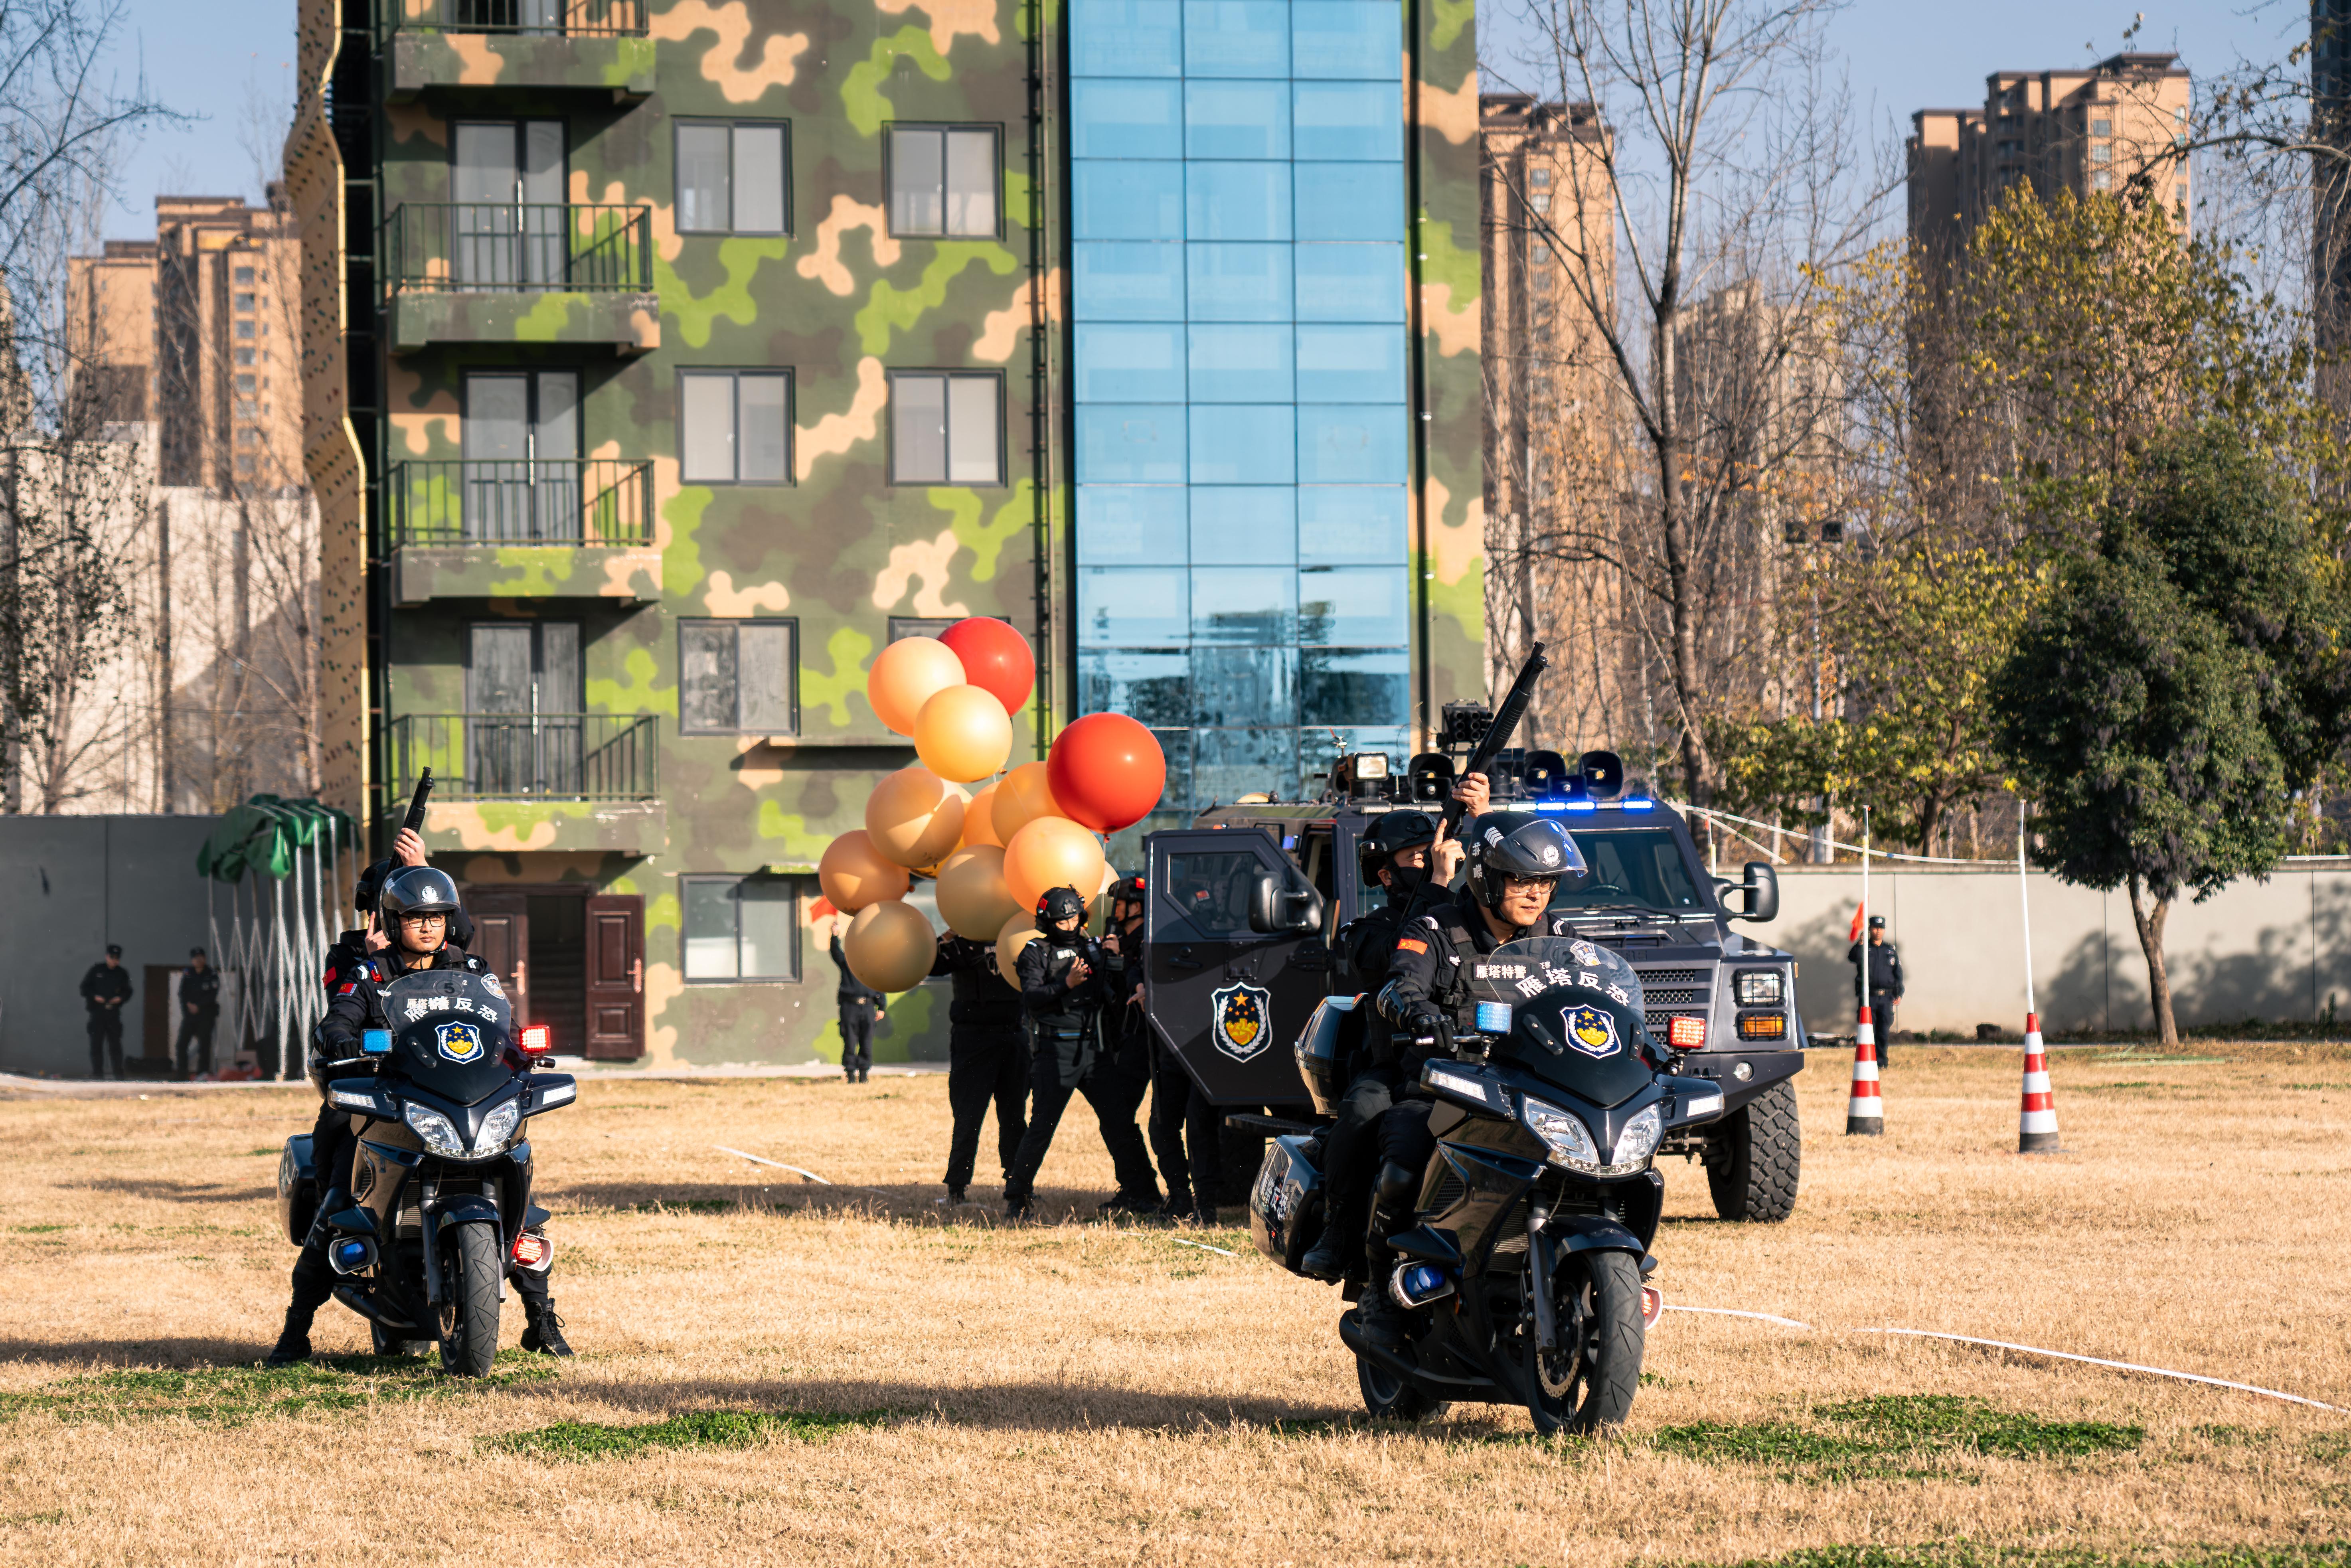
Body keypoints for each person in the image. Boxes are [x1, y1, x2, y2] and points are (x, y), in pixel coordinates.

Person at [271, 861, 571, 1364]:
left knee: (526, 1205)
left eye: (437, 916)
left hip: (463, 1101)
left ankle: (541, 1321)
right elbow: (336, 1022)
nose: (428, 926)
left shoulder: (472, 970)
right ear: (392, 922)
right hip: (392, 1101)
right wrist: (344, 1039)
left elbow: (504, 1029)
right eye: (415, 917)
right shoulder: (368, 973)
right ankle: (295, 1331)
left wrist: (522, 1049)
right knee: (339, 1197)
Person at [1360, 809, 1588, 1349]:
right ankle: (1378, 1288)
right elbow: (1396, 988)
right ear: (1487, 875)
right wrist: (1420, 1015)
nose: (1537, 894)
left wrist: (1644, 1040)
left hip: (1537, 1094)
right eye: (1522, 879)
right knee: (1405, 1151)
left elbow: (1602, 999)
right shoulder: (1436, 930)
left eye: (1547, 882)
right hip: (1451, 1089)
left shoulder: (1562, 938)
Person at [1001, 885, 1160, 1221]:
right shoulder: (1035, 952)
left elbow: (1114, 997)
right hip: (1055, 1051)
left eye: (1074, 918)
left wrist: (1115, 963)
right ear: (1048, 922)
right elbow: (1032, 997)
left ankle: (1143, 1192)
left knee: (1120, 1122)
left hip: (1094, 1050)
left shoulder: (1093, 948)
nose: (1070, 926)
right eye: (1062, 921)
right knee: (1042, 1126)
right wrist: (1066, 984)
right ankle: (1018, 1198)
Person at [1104, 874, 1203, 1222]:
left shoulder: (1156, 939)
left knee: (1164, 1123)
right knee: (1118, 1116)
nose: (1114, 912)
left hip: (1156, 1041)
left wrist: (1127, 971)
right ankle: (1140, 1187)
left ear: (1136, 906)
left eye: (1119, 904)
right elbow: (1132, 978)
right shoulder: (1122, 941)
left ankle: (1179, 1196)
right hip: (1130, 1040)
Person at [927, 925, 1029, 1205]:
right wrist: (949, 936)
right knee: (968, 1117)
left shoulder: (1017, 936)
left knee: (1014, 1116)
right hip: (973, 1037)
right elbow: (929, 964)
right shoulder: (961, 943)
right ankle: (957, 1187)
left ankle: (1019, 1185)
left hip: (1013, 1034)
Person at [829, 918, 885, 1084]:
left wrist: (882, 1007)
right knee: (850, 1041)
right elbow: (836, 953)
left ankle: (864, 1074)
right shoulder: (848, 961)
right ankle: (851, 1074)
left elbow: (880, 984)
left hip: (868, 1007)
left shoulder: (873, 964)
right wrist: (834, 936)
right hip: (850, 1006)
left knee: (867, 1042)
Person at [1848, 914, 1905, 1067]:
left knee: (1883, 1032)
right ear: (1870, 929)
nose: (1878, 931)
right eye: (1875, 928)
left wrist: (1899, 993)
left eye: (1881, 928)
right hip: (1868, 997)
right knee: (1868, 1032)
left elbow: (1898, 973)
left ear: (1884, 930)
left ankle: (1881, 1062)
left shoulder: (1890, 950)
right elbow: (1853, 958)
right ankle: (1868, 1062)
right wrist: (1860, 944)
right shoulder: (1865, 948)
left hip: (1886, 998)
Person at [79, 945, 132, 1080]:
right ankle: (98, 1074)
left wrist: (120, 998)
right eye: (112, 958)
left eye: (117, 959)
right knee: (96, 1045)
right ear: (107, 957)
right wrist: (94, 997)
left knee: (115, 1045)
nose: (115, 961)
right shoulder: (97, 970)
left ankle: (119, 1075)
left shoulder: (121, 973)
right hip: (98, 1013)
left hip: (113, 1013)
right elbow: (84, 988)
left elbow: (128, 991)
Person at [175, 948, 221, 1078]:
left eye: (201, 957)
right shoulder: (188, 973)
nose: (198, 960)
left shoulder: (211, 973)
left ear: (205, 958)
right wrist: (189, 1006)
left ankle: (203, 1073)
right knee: (182, 1044)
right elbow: (182, 993)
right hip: (190, 1016)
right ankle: (182, 1075)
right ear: (192, 960)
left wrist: (199, 1006)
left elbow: (213, 994)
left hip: (206, 1014)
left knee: (204, 1044)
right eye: (196, 958)